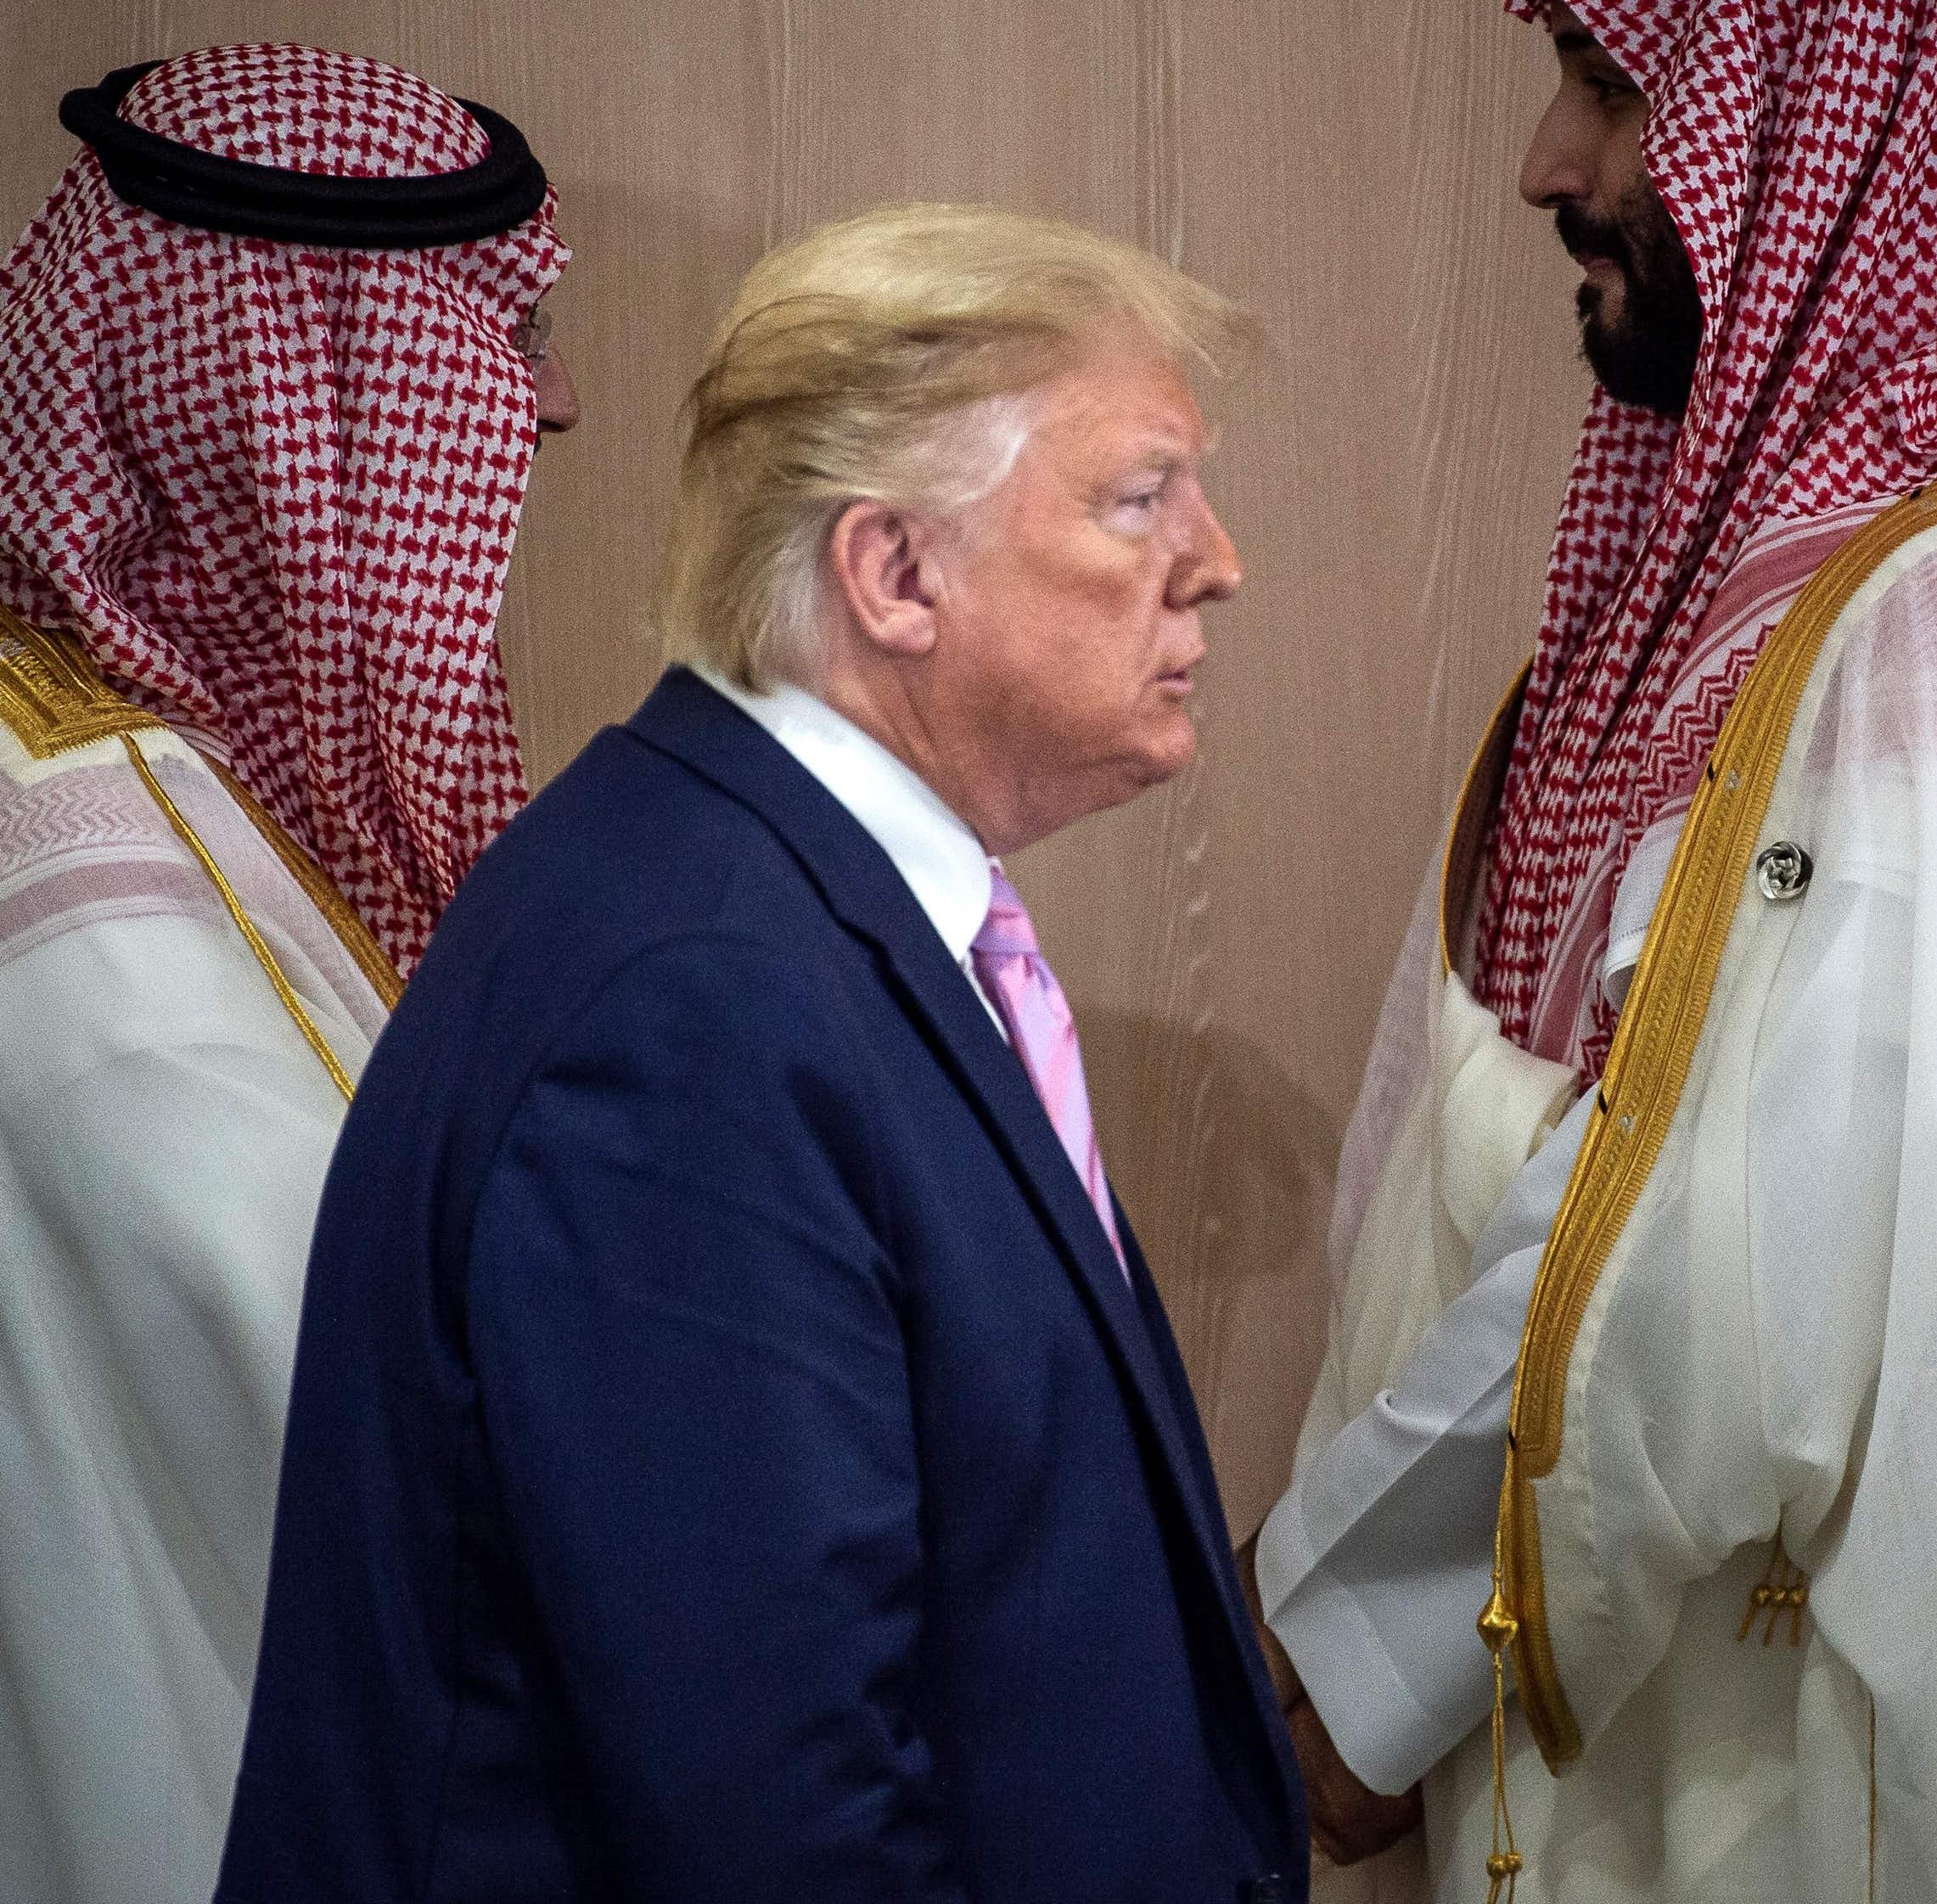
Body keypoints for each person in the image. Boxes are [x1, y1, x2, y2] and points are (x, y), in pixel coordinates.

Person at [1249, 0, 1937, 1901]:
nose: (1544, 162)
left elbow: (1697, 1260)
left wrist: (1321, 1659)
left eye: (1609, 78)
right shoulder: (1797, 587)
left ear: (1828, 116)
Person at [214, 203, 1311, 1904]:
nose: (1217, 559)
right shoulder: (697, 1002)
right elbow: (776, 1816)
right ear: (893, 572)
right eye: (1135, 496)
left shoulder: (777, 907)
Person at [0, 42, 575, 1904]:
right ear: (278, 399)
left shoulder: (161, 767)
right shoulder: (77, 857)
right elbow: (332, 1366)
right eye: (496, 340)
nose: (551, 408)